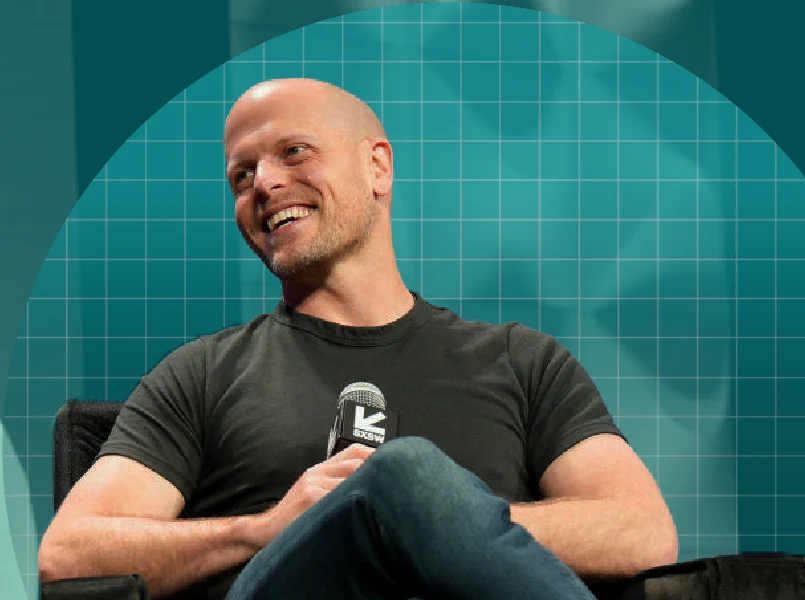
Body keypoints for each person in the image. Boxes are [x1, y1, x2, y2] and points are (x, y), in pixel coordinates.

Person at [37, 78, 678, 599]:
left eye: (294, 152)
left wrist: (435, 517)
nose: (263, 184)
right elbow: (69, 554)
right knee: (401, 473)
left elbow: (642, 531)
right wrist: (264, 530)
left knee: (405, 482)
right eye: (241, 176)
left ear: (378, 166)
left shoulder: (522, 362)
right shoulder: (201, 373)